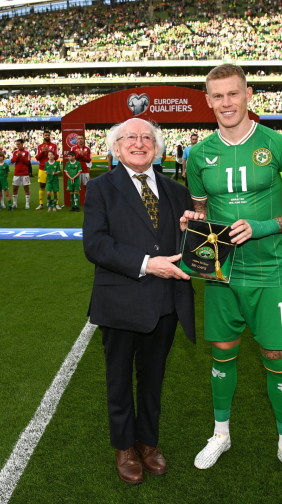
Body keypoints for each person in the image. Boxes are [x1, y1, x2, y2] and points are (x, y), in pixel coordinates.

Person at [184, 64, 282, 488]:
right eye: (217, 96)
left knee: (277, 357)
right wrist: (193, 222)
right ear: (208, 101)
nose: (226, 103)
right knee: (223, 351)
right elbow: (202, 212)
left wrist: (261, 227)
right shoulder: (198, 154)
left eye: (233, 94)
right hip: (222, 274)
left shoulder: (279, 145)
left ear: (248, 94)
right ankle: (221, 434)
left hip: (270, 272)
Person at [83, 117, 196, 486]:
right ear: (116, 148)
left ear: (157, 147)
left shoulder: (176, 191)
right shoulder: (100, 188)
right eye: (130, 137)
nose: (139, 142)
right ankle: (124, 447)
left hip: (165, 304)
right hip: (119, 303)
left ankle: (147, 443)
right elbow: (95, 245)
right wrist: (148, 264)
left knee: (153, 380)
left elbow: (186, 248)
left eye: (147, 137)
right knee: (118, 381)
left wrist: (189, 235)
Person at [35, 131, 59, 210]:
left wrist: (48, 151)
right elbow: (37, 158)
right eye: (46, 135)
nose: (47, 136)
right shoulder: (40, 146)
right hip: (42, 168)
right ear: (43, 136)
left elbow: (57, 157)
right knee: (42, 186)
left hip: (53, 169)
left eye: (48, 135)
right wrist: (42, 152)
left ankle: (56, 203)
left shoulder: (54, 145)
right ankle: (41, 204)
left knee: (54, 186)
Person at [10, 139, 32, 209]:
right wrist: (17, 156)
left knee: (26, 189)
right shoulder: (15, 152)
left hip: (25, 173)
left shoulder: (27, 152)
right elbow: (12, 161)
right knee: (15, 189)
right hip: (17, 173)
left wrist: (21, 157)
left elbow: (28, 162)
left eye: (18, 144)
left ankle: (27, 204)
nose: (17, 146)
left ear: (22, 144)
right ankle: (14, 204)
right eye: (16, 144)